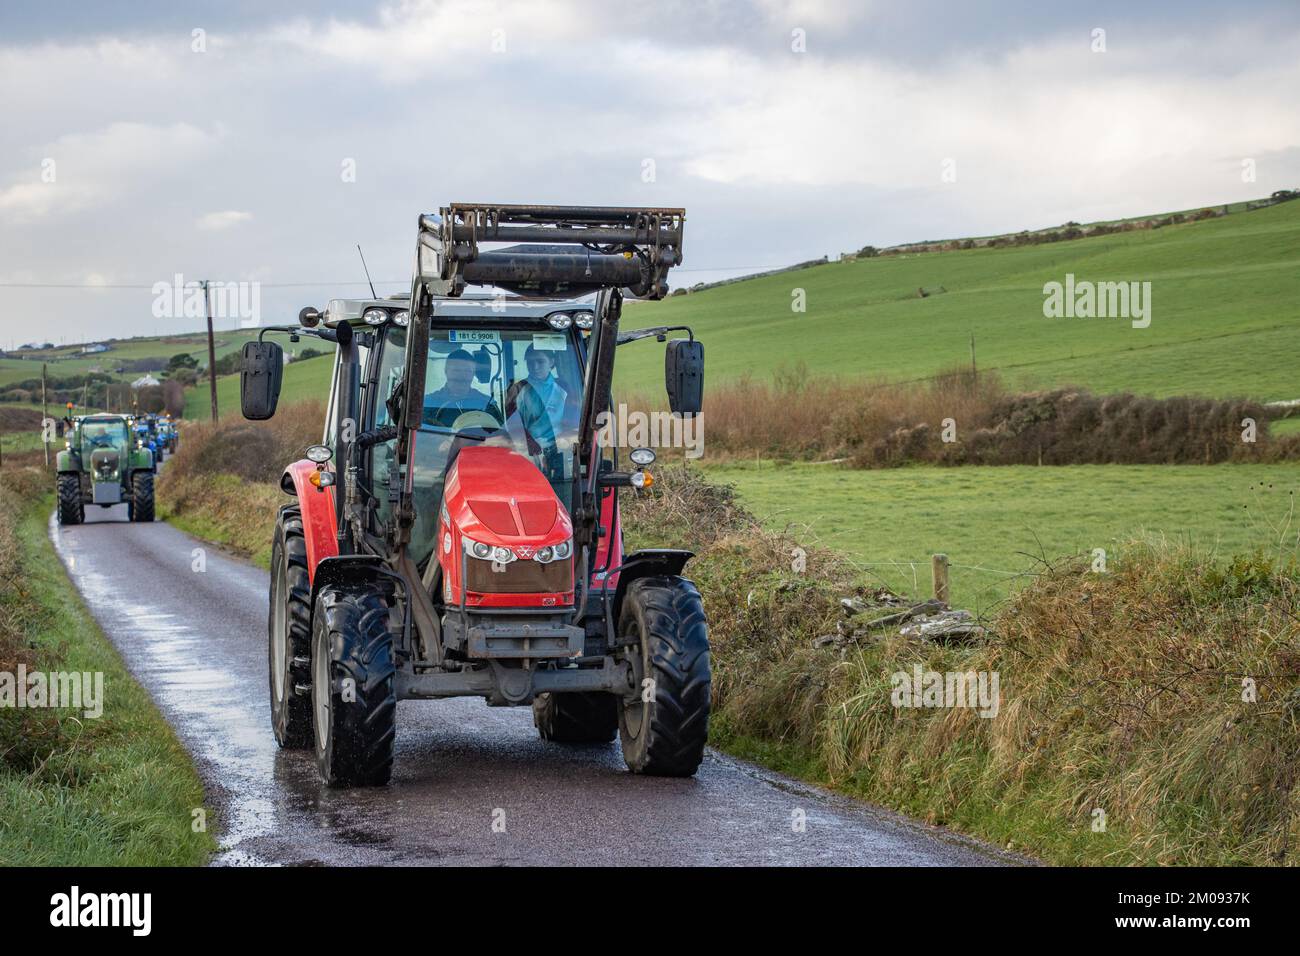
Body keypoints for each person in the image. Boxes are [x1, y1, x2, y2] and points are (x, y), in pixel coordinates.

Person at [505, 345, 568, 452]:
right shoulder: (518, 389)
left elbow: (574, 419)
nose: (535, 367)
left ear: (551, 362)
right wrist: (528, 441)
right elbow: (511, 423)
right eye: (530, 362)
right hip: (527, 449)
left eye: (540, 361)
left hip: (561, 447)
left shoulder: (564, 388)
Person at [422, 349, 502, 429]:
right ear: (446, 371)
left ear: (473, 373)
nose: (462, 376)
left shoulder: (486, 404)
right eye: (456, 370)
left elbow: (500, 434)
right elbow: (422, 435)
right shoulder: (428, 403)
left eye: (467, 371)